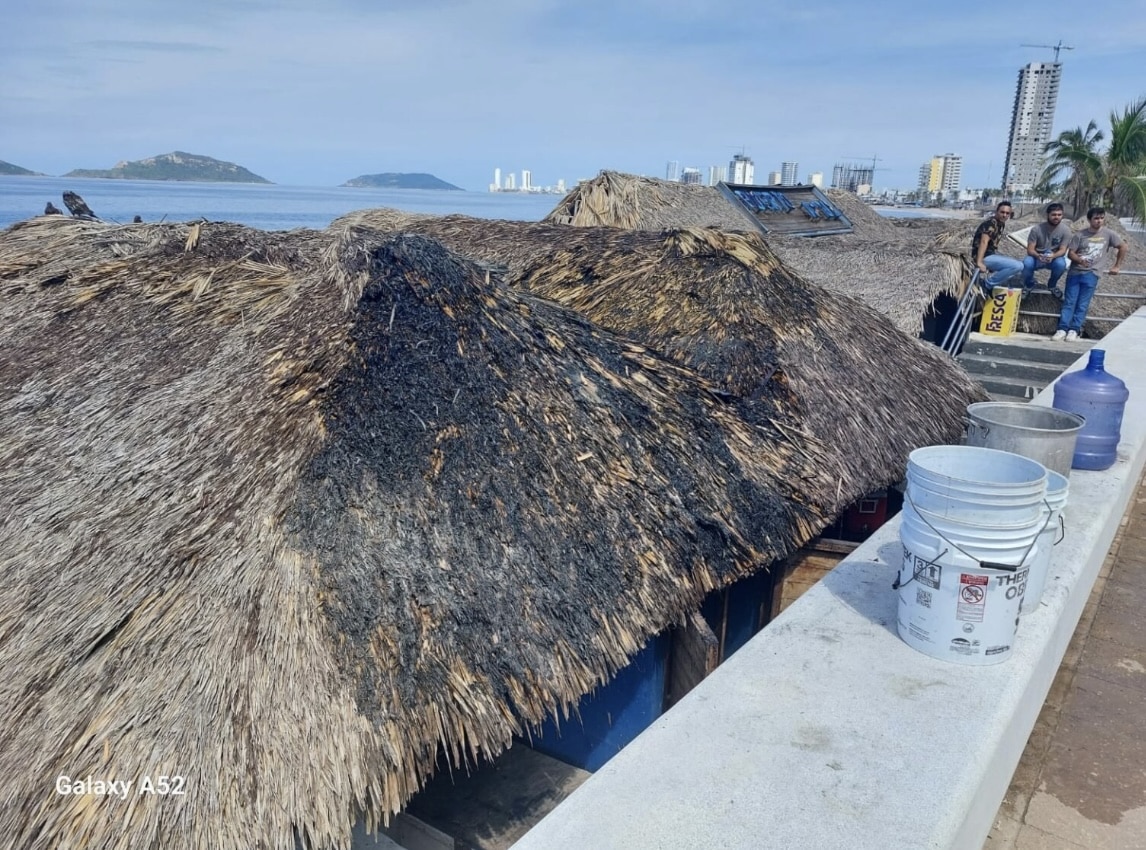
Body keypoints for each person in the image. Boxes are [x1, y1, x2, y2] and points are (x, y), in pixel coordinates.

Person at [1052, 207, 1127, 341]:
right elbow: (1071, 253)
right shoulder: (1080, 235)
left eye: (1101, 218)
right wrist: (1079, 260)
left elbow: (1122, 246)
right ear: (1089, 219)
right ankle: (1062, 328)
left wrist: (1117, 265)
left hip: (1092, 273)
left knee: (1082, 304)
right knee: (1069, 302)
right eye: (1096, 218)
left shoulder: (1109, 234)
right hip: (1075, 272)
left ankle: (1074, 329)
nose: (1099, 221)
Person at [971, 201, 1023, 293]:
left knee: (1021, 264)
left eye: (1007, 213)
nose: (1004, 215)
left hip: (990, 255)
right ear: (996, 212)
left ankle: (994, 283)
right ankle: (987, 284)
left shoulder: (1000, 224)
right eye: (1002, 212)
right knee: (1017, 266)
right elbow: (983, 242)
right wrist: (979, 262)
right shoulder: (991, 224)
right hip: (983, 257)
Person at [1021, 202, 1070, 296]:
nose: (1056, 217)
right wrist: (1038, 255)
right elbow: (1030, 249)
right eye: (1054, 215)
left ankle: (1052, 285)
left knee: (1061, 264)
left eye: (1059, 215)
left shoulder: (1066, 230)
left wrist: (1053, 256)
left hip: (1054, 257)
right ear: (1048, 215)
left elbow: (1063, 250)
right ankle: (1028, 285)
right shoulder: (1036, 229)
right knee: (1027, 263)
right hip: (1037, 256)